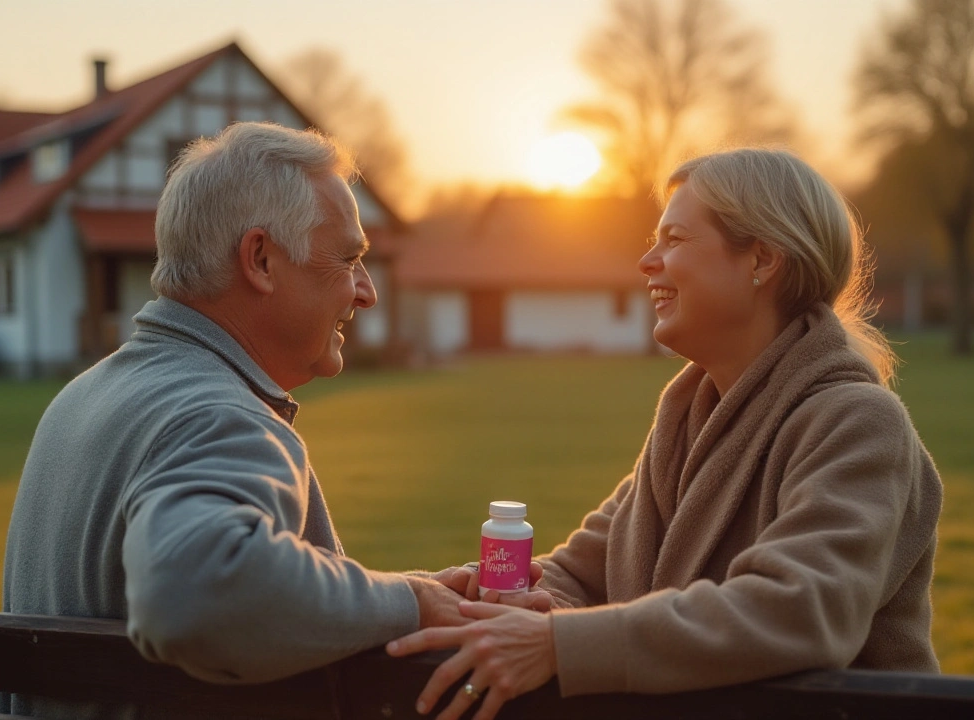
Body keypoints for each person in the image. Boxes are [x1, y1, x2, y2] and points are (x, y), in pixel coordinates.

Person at [390, 148, 944, 720]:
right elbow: (582, 572)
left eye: (674, 240)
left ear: (762, 259)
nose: (646, 262)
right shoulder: (687, 421)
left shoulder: (856, 422)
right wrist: (494, 597)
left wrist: (558, 644)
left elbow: (801, 609)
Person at [0, 122, 470, 717]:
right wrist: (409, 604)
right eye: (348, 259)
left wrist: (417, 594)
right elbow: (196, 593)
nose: (366, 292)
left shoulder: (83, 397)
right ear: (262, 260)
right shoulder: (220, 417)